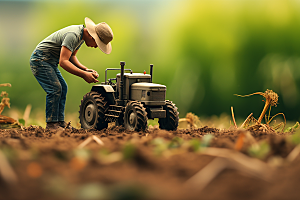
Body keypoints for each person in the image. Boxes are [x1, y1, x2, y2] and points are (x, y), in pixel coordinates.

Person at [29, 17, 113, 130]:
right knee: (55, 89)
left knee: (63, 87)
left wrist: (85, 69)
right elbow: (63, 62)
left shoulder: (81, 37)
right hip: (40, 60)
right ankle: (51, 124)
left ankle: (59, 122)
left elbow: (72, 56)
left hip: (50, 62)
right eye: (97, 43)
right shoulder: (73, 35)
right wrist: (83, 75)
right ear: (92, 36)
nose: (96, 46)